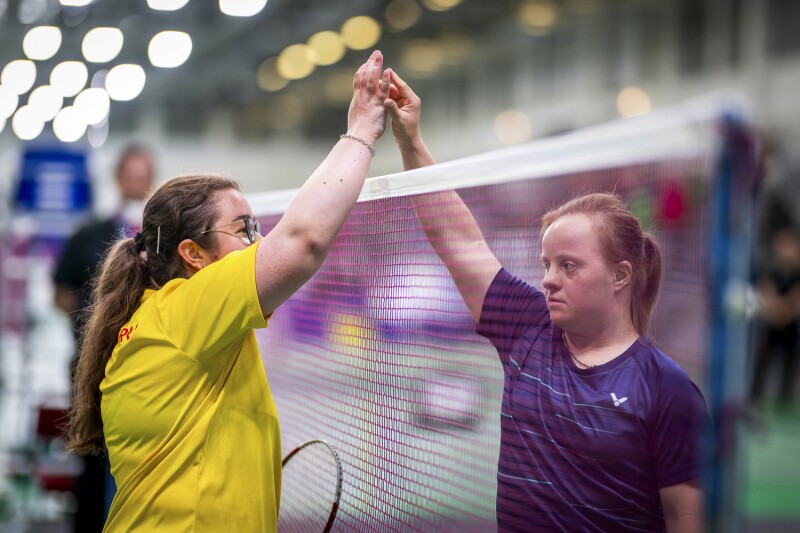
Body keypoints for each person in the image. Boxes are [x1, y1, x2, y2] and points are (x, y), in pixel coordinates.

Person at [64, 50, 391, 532]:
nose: (258, 241)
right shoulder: (185, 311)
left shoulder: (172, 318)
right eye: (244, 228)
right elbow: (302, 241)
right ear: (193, 254)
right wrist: (362, 129)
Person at [384, 70, 709, 531]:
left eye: (569, 266)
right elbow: (458, 241)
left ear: (621, 275)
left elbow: (685, 516)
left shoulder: (667, 390)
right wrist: (411, 140)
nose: (549, 280)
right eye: (547, 264)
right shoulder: (526, 327)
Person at [53, 144, 155, 532]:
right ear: (118, 179)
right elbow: (61, 291)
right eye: (132, 176)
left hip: (144, 372)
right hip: (89, 368)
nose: (138, 184)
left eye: (144, 177)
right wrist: (95, 328)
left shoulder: (159, 241)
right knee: (92, 460)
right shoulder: (86, 235)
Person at [751, 225, 800, 406]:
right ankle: (753, 401)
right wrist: (777, 309)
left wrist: (783, 310)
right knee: (761, 362)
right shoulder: (770, 271)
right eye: (783, 243)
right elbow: (767, 298)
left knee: (789, 369)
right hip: (770, 329)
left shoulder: (797, 275)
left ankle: (784, 403)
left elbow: (793, 304)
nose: (786, 249)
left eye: (791, 244)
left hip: (791, 332)